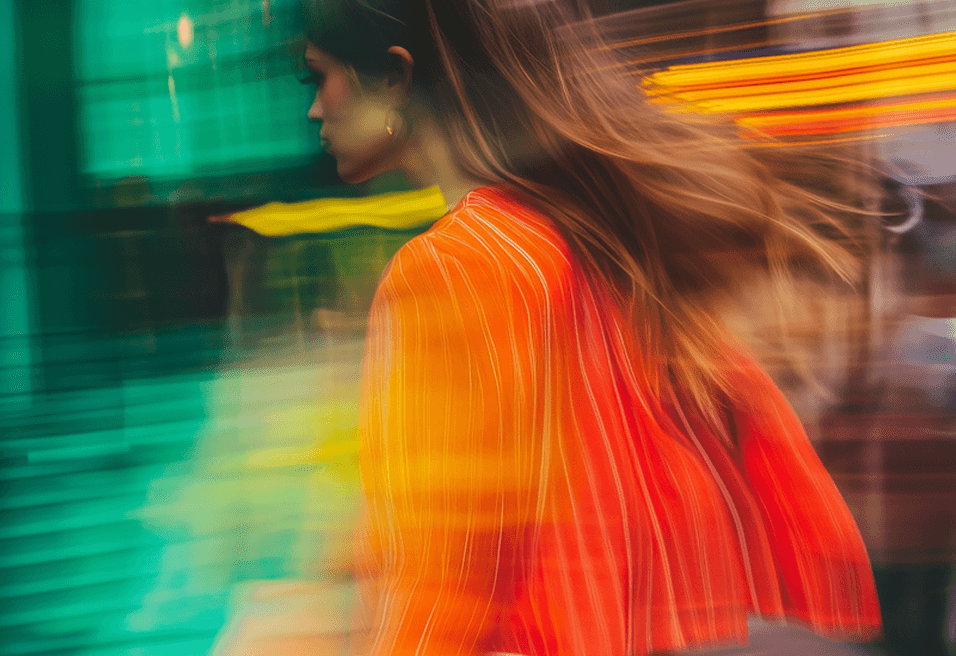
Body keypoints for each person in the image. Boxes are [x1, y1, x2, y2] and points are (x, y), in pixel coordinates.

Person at [291, 1, 884, 655]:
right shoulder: (596, 240)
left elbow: (448, 564)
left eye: (318, 78)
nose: (316, 110)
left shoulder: (453, 267)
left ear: (396, 77)